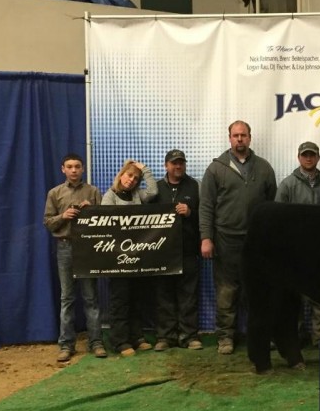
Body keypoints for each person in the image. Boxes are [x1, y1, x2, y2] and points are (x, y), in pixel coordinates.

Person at [200, 121, 277, 355]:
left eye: (243, 135)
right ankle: (225, 337)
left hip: (256, 242)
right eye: (236, 135)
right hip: (225, 240)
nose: (240, 139)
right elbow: (206, 207)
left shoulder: (264, 168)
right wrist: (206, 238)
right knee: (227, 291)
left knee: (258, 291)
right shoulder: (215, 169)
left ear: (250, 138)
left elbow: (272, 205)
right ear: (229, 138)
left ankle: (261, 334)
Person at [42, 153, 105, 363]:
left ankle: (96, 342)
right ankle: (66, 345)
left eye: (77, 166)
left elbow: (105, 221)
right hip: (65, 246)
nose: (74, 170)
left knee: (90, 297)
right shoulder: (55, 193)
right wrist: (64, 216)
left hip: (88, 248)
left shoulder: (93, 191)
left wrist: (92, 211)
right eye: (69, 167)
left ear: (83, 168)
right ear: (63, 169)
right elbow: (48, 222)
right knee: (67, 298)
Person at [275, 141, 320, 345]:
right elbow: (279, 220)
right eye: (305, 155)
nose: (308, 158)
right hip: (295, 252)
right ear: (298, 157)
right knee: (295, 297)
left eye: (312, 155)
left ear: (318, 157)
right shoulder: (287, 184)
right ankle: (295, 337)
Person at [102, 159, 158, 356]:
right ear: (121, 175)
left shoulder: (138, 195)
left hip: (136, 257)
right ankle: (120, 340)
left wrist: (145, 170)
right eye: (129, 175)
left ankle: (136, 337)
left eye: (136, 178)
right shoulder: (109, 197)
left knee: (136, 298)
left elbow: (153, 192)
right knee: (120, 300)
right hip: (117, 258)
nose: (132, 180)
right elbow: (105, 226)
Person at [153, 149, 202, 351]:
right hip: (161, 252)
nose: (178, 166)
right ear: (166, 165)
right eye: (174, 163)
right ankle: (166, 337)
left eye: (181, 162)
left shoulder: (194, 186)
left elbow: (205, 214)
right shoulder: (155, 189)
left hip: (188, 250)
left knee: (188, 295)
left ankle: (189, 336)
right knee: (163, 295)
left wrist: (190, 212)